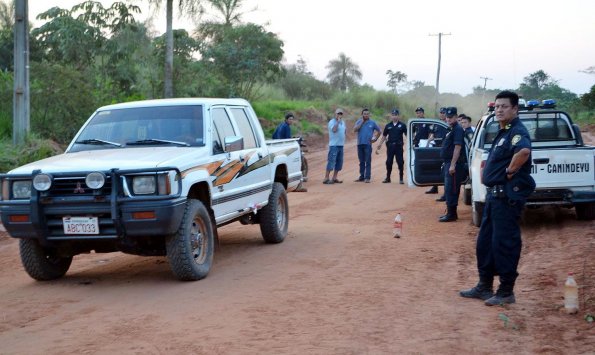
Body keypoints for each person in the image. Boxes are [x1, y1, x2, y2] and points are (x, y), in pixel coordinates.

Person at [460, 90, 535, 306]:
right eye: (497, 107)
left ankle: (505, 291)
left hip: (506, 200)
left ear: (515, 109)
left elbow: (523, 152)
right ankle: (484, 286)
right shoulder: (503, 131)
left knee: (505, 244)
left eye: (504, 106)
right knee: (485, 243)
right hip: (494, 198)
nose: (499, 110)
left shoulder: (517, 131)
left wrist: (509, 173)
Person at [438, 107, 468, 222]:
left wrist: (452, 165)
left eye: (451, 117)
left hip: (454, 164)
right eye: (447, 117)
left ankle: (452, 214)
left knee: (452, 188)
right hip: (449, 162)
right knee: (449, 188)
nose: (448, 119)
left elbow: (457, 147)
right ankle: (450, 212)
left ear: (456, 117)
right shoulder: (451, 129)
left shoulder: (458, 129)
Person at [376, 108, 407, 184]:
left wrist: (410, 143)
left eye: (395, 115)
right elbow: (384, 135)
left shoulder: (402, 125)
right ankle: (388, 178)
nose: (394, 116)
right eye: (393, 115)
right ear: (391, 116)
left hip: (399, 147)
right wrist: (380, 144)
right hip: (390, 147)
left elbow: (407, 135)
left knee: (400, 162)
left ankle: (401, 178)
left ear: (398, 116)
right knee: (389, 162)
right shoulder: (388, 126)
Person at [353, 108, 381, 183]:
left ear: (369, 114)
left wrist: (375, 139)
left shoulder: (372, 122)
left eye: (367, 114)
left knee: (368, 161)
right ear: (362, 114)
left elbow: (379, 131)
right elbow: (355, 130)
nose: (366, 115)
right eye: (364, 114)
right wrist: (361, 122)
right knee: (361, 161)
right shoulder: (359, 121)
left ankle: (367, 177)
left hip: (368, 145)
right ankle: (362, 176)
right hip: (360, 144)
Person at [426, 107, 447, 196]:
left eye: (443, 113)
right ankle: (435, 187)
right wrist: (429, 140)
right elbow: (432, 134)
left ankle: (446, 192)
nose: (442, 114)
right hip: (436, 147)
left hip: (445, 148)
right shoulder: (437, 123)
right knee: (436, 167)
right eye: (441, 112)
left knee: (446, 169)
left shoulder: (448, 123)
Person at [323, 108, 347, 184]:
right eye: (338, 113)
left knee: (339, 162)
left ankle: (334, 178)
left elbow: (344, 131)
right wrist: (338, 122)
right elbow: (334, 130)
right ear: (335, 114)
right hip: (334, 145)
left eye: (340, 114)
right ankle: (326, 178)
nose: (339, 115)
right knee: (331, 161)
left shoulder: (343, 122)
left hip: (341, 145)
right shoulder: (332, 122)